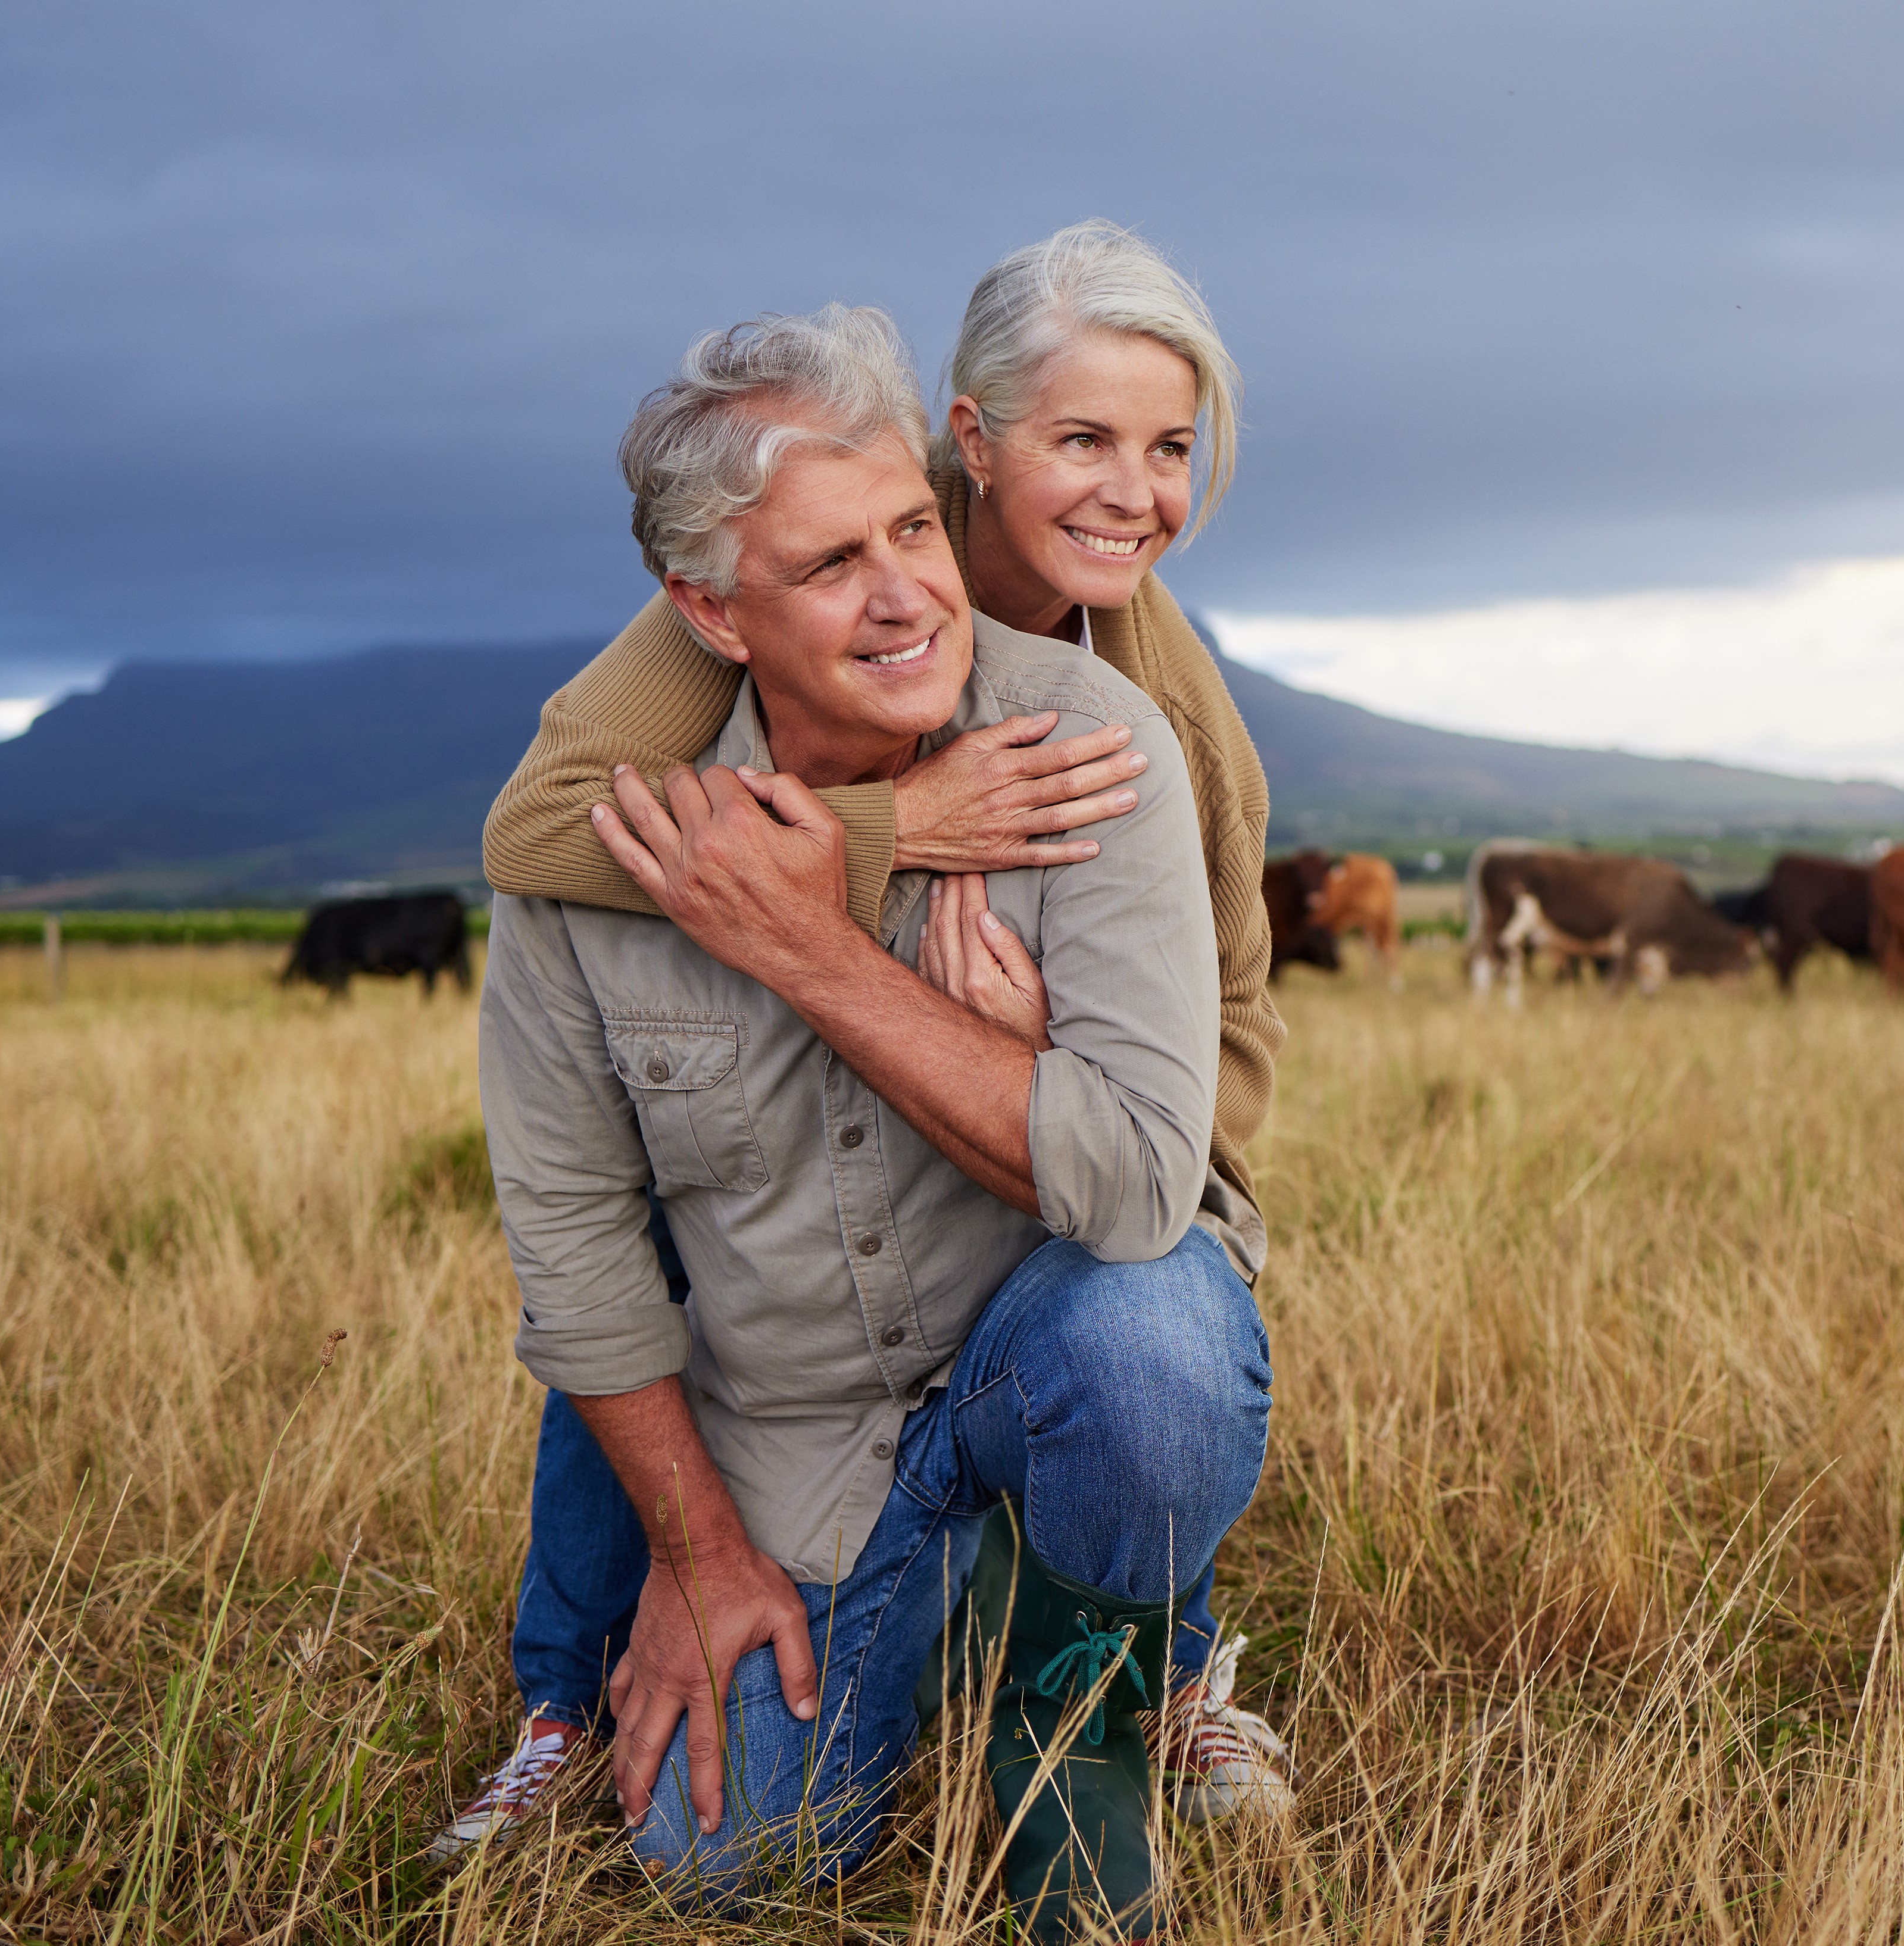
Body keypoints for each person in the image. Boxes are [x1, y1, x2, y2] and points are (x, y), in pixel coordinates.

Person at [438, 222, 1294, 1864]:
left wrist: (1094, 1108)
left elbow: (1209, 1049)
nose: (1130, 491)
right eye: (1080, 440)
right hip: (800, 1337)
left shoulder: (1143, 719)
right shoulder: (758, 553)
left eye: (1171, 449)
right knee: (655, 1245)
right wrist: (879, 826)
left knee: (1150, 1329)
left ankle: (1133, 1675)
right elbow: (540, 832)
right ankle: (577, 1681)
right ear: (967, 439)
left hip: (1133, 1135)